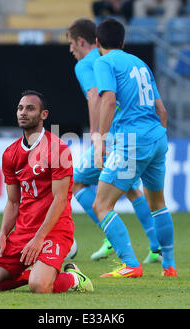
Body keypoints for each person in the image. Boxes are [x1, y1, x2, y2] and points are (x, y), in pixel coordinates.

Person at [0, 90, 93, 293]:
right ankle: (37, 271)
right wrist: (2, 235)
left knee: (40, 286)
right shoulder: (10, 154)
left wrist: (39, 237)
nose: (23, 112)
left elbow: (60, 199)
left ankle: (73, 278)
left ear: (44, 115)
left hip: (53, 231)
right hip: (22, 232)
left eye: (30, 108)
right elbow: (12, 202)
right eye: (20, 108)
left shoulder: (58, 149)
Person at [67, 18, 162, 264]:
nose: (70, 50)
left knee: (76, 182)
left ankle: (112, 237)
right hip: (130, 134)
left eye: (71, 43)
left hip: (112, 135)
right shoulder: (126, 61)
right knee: (130, 188)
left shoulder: (90, 63)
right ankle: (156, 245)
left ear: (83, 41)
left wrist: (97, 138)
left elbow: (96, 98)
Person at [92, 18, 177, 277]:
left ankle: (130, 264)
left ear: (97, 43)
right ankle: (169, 265)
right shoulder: (140, 64)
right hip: (156, 136)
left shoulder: (103, 62)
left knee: (102, 205)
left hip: (131, 140)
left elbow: (108, 100)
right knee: (158, 204)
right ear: (123, 42)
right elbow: (161, 109)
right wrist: (158, 138)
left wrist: (102, 142)